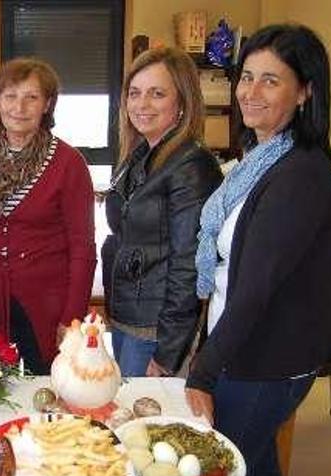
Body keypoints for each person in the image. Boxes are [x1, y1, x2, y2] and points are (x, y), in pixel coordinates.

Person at [185, 24, 331, 476]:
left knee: (221, 472)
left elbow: (255, 287)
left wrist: (204, 369)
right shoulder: (263, 156)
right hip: (244, 343)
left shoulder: (301, 176)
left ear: (305, 92)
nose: (250, 93)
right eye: (246, 77)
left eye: (271, 80)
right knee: (255, 465)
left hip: (267, 359)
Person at [0, 58, 96, 374]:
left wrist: (72, 318)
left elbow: (82, 250)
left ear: (47, 104)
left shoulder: (69, 163)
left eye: (32, 97)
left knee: (45, 389)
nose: (20, 107)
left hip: (46, 304)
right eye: (10, 95)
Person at [102, 47, 222, 377]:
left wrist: (169, 352)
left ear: (182, 102)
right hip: (129, 314)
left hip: (155, 328)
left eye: (157, 94)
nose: (142, 105)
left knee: (140, 424)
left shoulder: (190, 166)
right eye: (135, 93)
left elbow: (188, 264)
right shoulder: (141, 154)